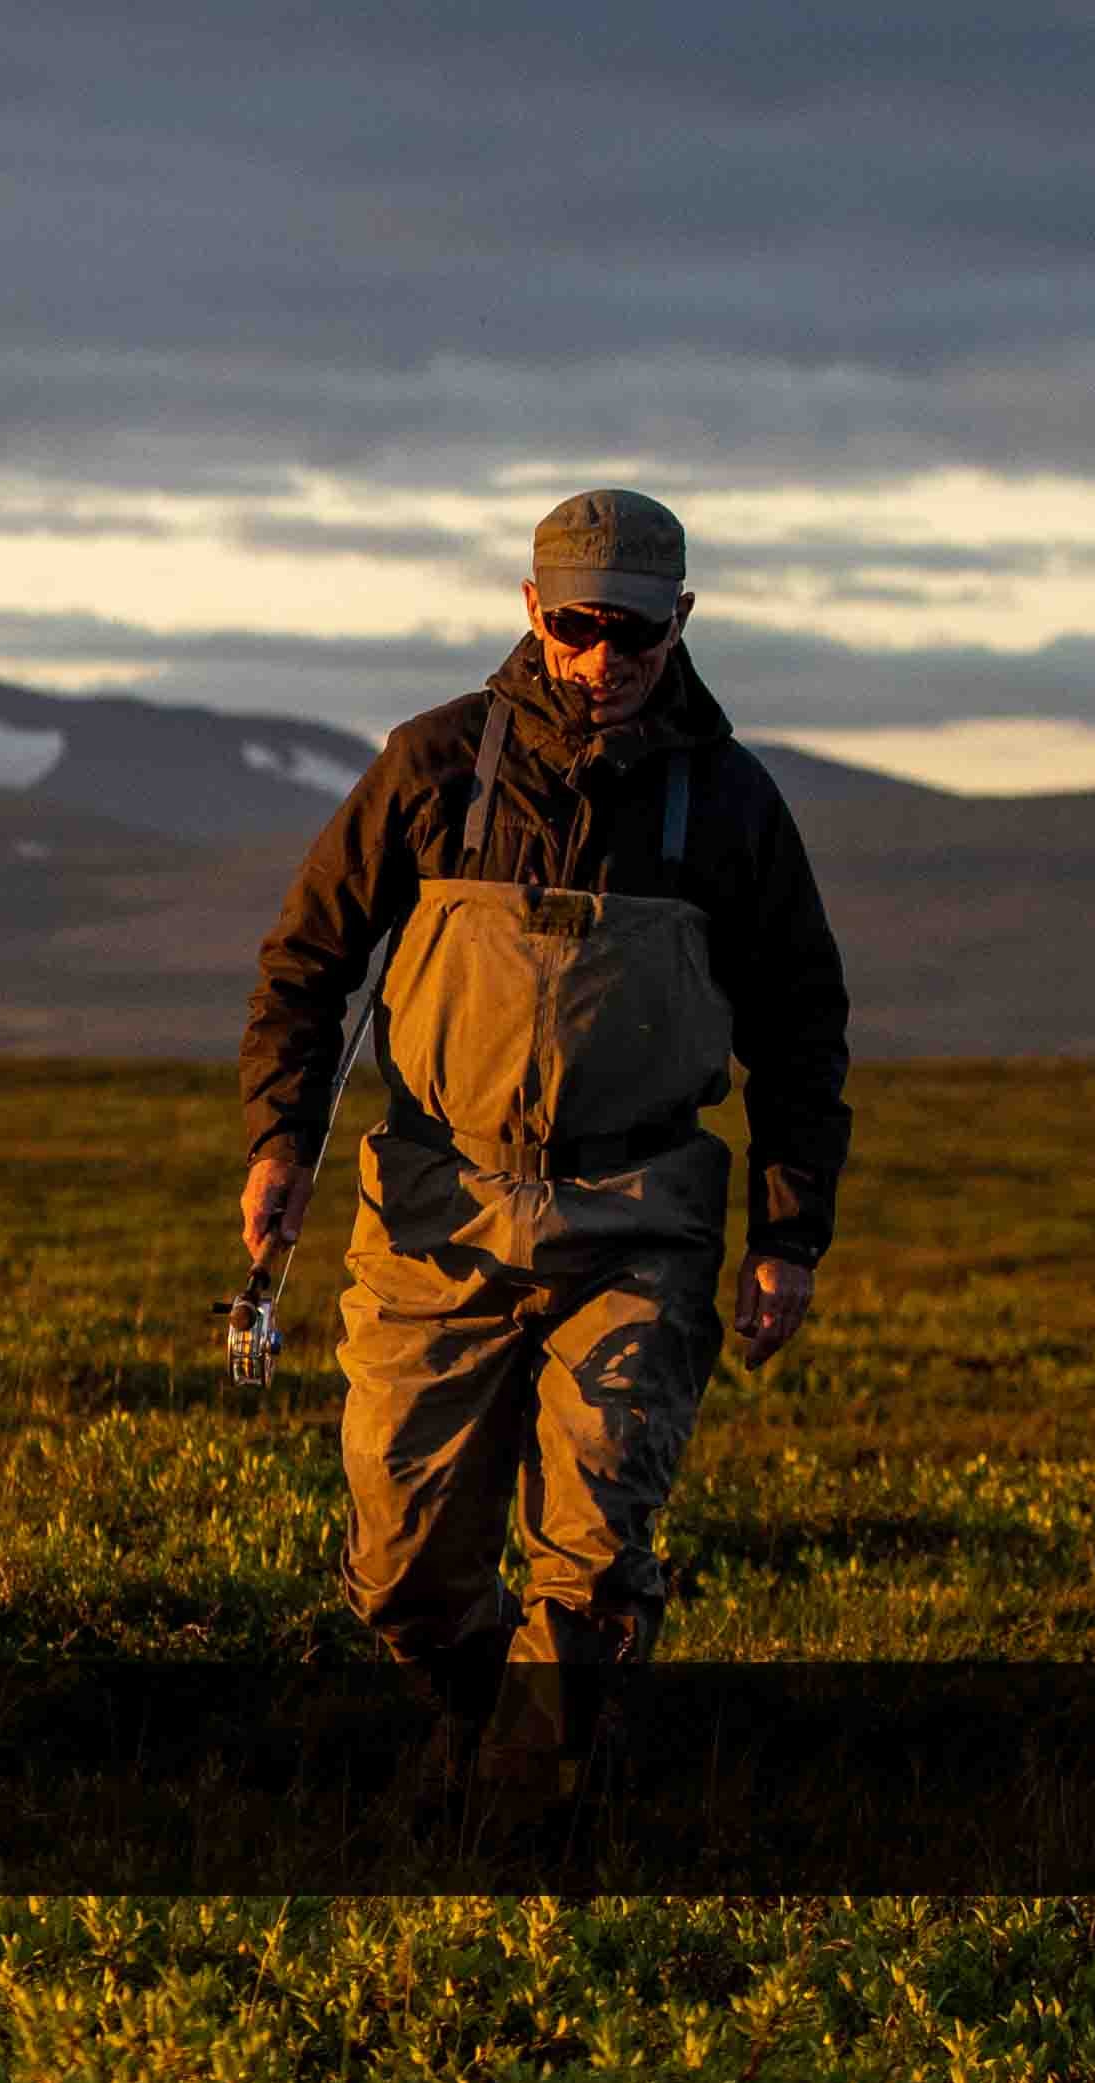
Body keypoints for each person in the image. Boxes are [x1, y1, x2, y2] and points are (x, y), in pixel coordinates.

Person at [235, 488, 850, 1799]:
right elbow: (308, 959)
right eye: (578, 627)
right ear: (531, 609)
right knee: (401, 1567)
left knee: (596, 1561)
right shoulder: (434, 765)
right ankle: (476, 1716)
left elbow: (802, 1025)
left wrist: (790, 1234)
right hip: (435, 1205)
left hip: (644, 1217)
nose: (603, 658)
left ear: (680, 622)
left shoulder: (731, 803)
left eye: (634, 632)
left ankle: (526, 1833)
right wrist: (280, 1143)